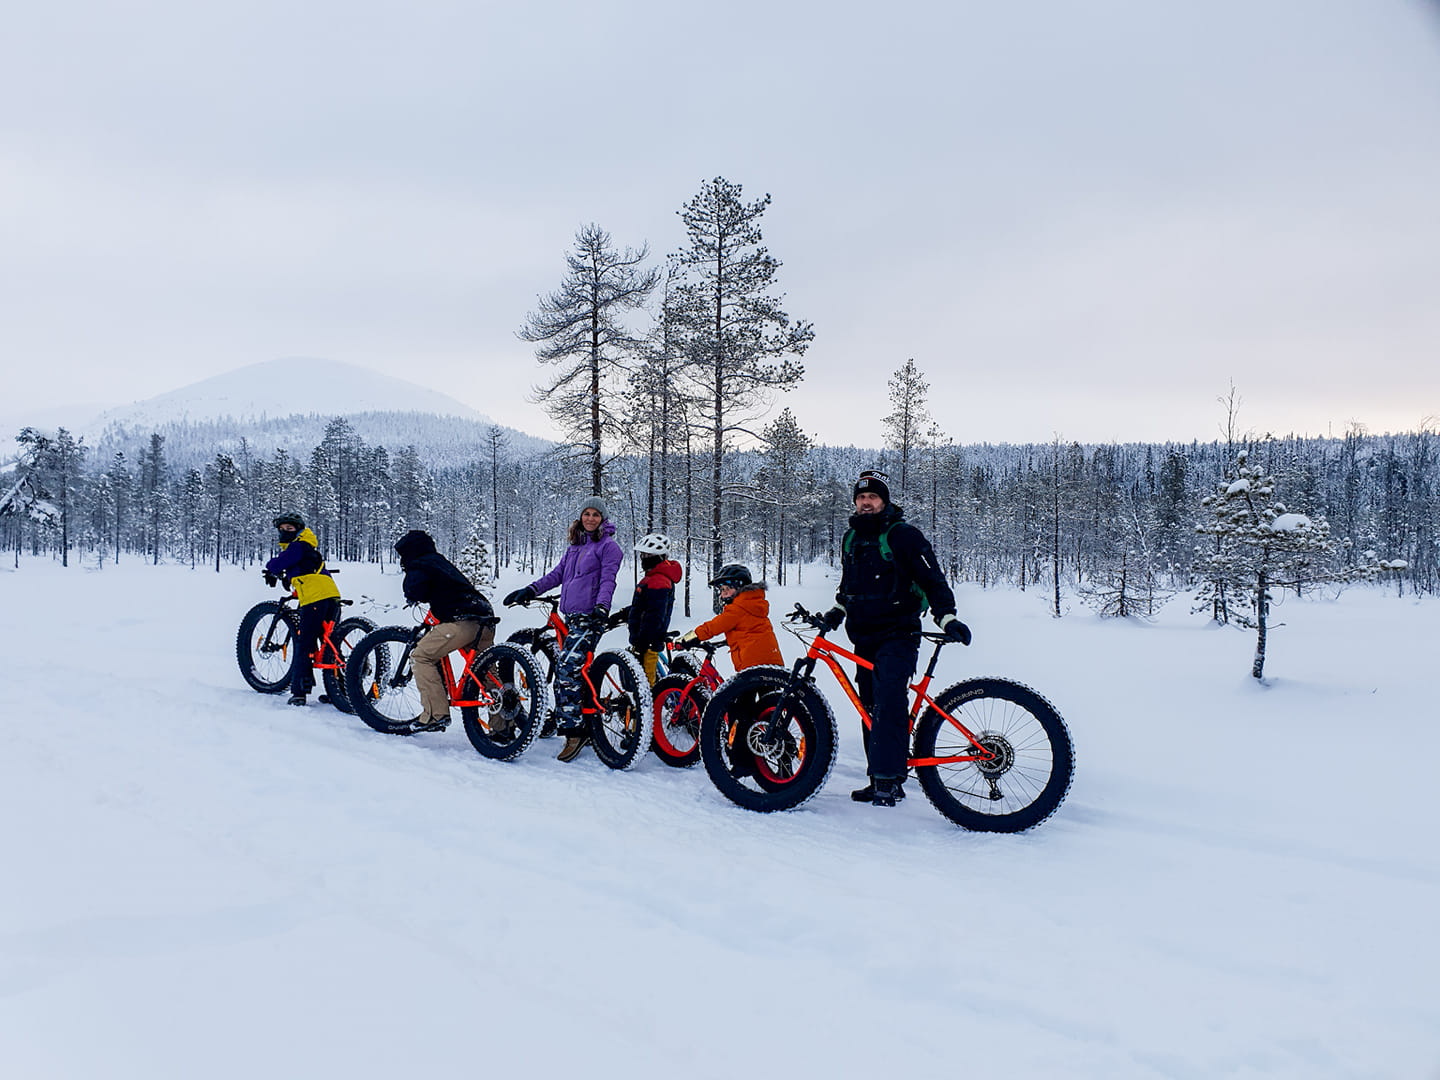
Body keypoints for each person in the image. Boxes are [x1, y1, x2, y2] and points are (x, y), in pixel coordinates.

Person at [822, 470, 970, 808]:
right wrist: (835, 611)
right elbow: (849, 586)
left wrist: (946, 616)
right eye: (861, 498)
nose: (866, 503)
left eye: (872, 497)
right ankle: (879, 778)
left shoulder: (903, 535)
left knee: (889, 695)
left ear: (884, 501)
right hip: (864, 635)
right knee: (868, 706)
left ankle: (890, 779)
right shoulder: (852, 538)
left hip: (899, 633)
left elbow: (932, 578)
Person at [503, 496, 623, 762]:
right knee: (577, 669)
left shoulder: (608, 547)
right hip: (571, 617)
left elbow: (608, 580)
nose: (590, 518)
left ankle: (574, 732)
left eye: (595, 514)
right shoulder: (575, 547)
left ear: (603, 518)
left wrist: (602, 608)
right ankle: (585, 721)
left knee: (566, 669)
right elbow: (557, 575)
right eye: (586, 513)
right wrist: (531, 589)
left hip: (590, 618)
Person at [393, 529, 499, 734]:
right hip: (485, 619)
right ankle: (503, 726)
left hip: (461, 621)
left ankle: (435, 715)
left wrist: (411, 592)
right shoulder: (441, 562)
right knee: (485, 672)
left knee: (421, 656)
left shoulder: (420, 563)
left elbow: (414, 588)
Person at [263, 512, 342, 706]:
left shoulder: (298, 546)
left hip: (315, 599)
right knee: (330, 645)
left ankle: (299, 692)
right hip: (331, 597)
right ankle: (337, 691)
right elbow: (306, 572)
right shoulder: (309, 549)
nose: (284, 533)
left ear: (298, 531)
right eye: (281, 530)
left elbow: (277, 562)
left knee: (304, 642)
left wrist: (271, 570)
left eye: (289, 529)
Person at [677, 563, 783, 671]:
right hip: (772, 664)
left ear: (740, 587)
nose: (723, 594)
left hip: (753, 667)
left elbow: (713, 627)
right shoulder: (753, 603)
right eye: (722, 590)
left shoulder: (738, 608)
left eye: (727, 589)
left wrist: (690, 638)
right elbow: (750, 631)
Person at [617, 533, 683, 685]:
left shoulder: (659, 580)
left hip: (648, 643)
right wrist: (621, 615)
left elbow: (654, 615)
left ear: (658, 557)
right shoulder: (652, 577)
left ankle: (652, 707)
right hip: (645, 640)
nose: (644, 558)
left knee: (645, 686)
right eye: (643, 554)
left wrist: (642, 643)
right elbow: (642, 607)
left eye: (648, 555)